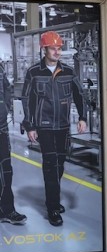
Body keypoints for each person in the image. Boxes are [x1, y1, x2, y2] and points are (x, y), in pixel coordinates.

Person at [21, 31, 88, 227]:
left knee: (59, 165)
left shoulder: (68, 72)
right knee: (50, 165)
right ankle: (53, 207)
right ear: (44, 49)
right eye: (53, 48)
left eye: (59, 48)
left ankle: (53, 197)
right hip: (44, 127)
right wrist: (29, 125)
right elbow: (27, 99)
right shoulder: (34, 72)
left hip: (63, 127)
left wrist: (82, 117)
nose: (57, 52)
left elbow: (79, 95)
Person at [0, 62, 27, 225]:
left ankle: (7, 210)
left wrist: (5, 109)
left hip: (1, 127)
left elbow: (7, 89)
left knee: (6, 171)